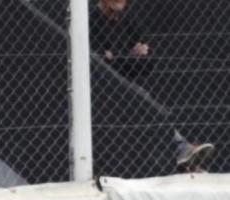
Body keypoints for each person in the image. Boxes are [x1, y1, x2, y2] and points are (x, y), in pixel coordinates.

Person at [89, 0, 215, 173]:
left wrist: (116, 56)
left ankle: (187, 159)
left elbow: (147, 63)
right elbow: (100, 67)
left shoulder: (129, 22)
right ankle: (184, 152)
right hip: (101, 94)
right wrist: (130, 56)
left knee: (145, 101)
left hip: (127, 91)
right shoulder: (91, 21)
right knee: (144, 100)